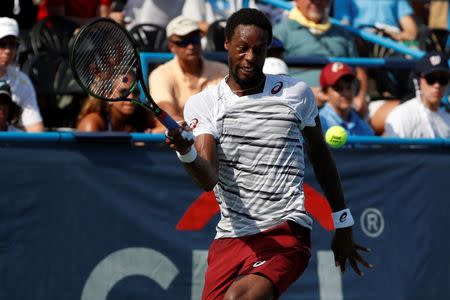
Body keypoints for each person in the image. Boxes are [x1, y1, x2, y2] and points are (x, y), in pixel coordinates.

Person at [166, 8, 373, 299]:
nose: (250, 57)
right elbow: (207, 178)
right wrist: (186, 151)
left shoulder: (297, 94)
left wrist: (343, 222)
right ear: (226, 44)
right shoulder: (205, 103)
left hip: (286, 230)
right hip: (231, 236)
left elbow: (321, 156)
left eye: (259, 49)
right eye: (242, 48)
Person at [273, 0, 369, 118]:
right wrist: (305, 93)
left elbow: (359, 67)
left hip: (344, 107)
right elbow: (271, 76)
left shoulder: (343, 34)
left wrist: (361, 97)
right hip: (297, 109)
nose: (317, 1)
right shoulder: (279, 33)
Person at [148, 16, 228, 133]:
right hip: (179, 142)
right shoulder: (160, 74)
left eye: (195, 40)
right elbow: (166, 112)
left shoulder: (221, 69)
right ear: (171, 46)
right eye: (183, 42)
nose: (191, 46)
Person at [385, 51, 450, 138]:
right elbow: (393, 150)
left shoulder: (447, 116)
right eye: (431, 79)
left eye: (443, 79)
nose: (437, 85)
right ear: (419, 81)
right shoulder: (402, 115)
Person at [0, 17, 44, 132]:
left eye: (12, 44)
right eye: (2, 44)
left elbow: (35, 130)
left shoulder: (22, 81)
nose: (8, 50)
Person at [77, 72, 155, 132]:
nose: (131, 97)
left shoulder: (141, 115)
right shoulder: (91, 124)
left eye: (135, 92)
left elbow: (165, 128)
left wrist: (147, 136)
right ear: (109, 96)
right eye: (123, 92)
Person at [319, 62, 374, 135]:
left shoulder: (360, 122)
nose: (346, 93)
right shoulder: (319, 122)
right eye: (338, 88)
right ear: (325, 94)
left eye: (349, 87)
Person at [333, 0, 418, 42]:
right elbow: (343, 29)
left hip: (391, 46)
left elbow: (411, 33)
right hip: (360, 46)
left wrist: (392, 36)